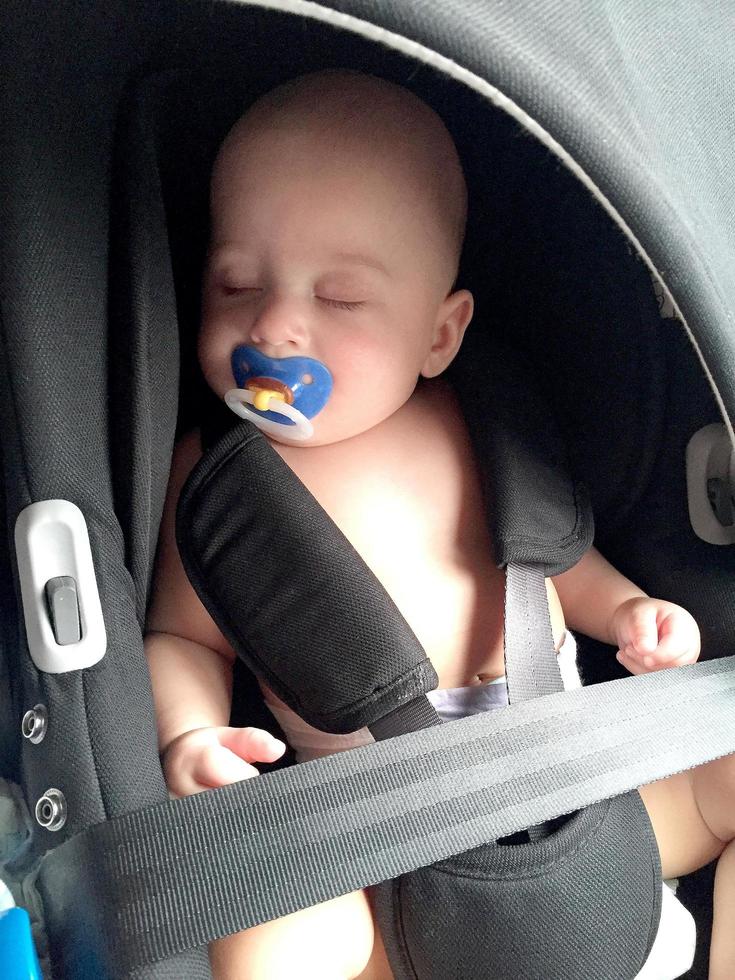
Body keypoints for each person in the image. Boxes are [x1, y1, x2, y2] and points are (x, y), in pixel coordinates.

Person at [145, 70, 735, 979]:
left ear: (439, 334)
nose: (275, 325)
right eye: (234, 285)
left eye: (339, 299)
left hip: (591, 802)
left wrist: (625, 614)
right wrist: (190, 736)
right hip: (382, 853)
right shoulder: (220, 477)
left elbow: (554, 561)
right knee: (266, 938)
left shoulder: (481, 422)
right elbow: (184, 636)